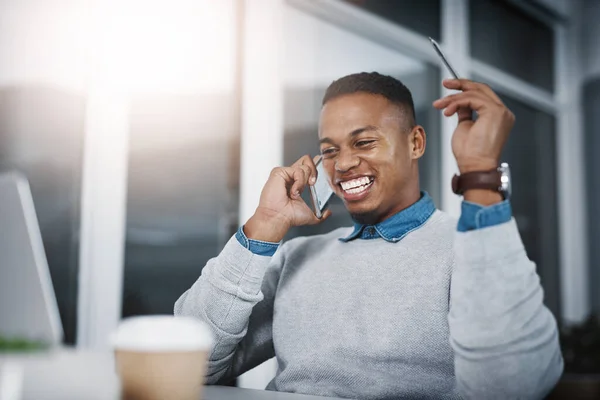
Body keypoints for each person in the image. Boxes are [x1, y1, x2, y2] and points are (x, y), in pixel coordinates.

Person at [175, 72, 563, 399]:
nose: (343, 164)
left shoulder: (472, 248)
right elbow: (190, 366)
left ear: (415, 142)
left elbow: (516, 385)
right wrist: (264, 222)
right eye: (329, 151)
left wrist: (479, 171)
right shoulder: (297, 256)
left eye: (363, 142)